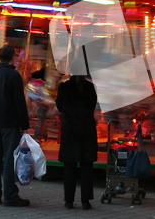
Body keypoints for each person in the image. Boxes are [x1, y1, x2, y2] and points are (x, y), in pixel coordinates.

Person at [0, 45, 30, 207]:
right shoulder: (13, 75)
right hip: (9, 122)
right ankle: (10, 195)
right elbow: (19, 102)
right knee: (9, 158)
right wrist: (24, 124)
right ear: (13, 57)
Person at [56, 58, 98, 210]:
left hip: (70, 130)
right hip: (86, 129)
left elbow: (60, 106)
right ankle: (85, 200)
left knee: (69, 166)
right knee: (86, 166)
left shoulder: (65, 87)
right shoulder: (89, 88)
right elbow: (92, 106)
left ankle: (68, 200)